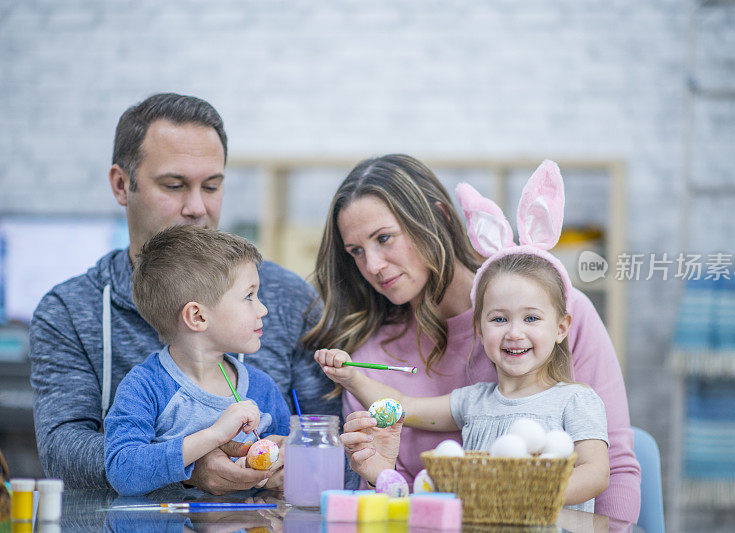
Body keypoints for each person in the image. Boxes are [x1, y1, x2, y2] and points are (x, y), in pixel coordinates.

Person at [29, 93, 337, 494]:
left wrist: (294, 457)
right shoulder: (68, 311)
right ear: (122, 185)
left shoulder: (289, 298)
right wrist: (190, 466)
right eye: (174, 185)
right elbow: (62, 451)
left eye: (212, 186)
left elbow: (324, 432)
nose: (197, 207)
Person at [303, 155, 640, 521]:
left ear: (440, 217)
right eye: (356, 252)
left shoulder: (559, 314)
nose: (373, 266)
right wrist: (377, 474)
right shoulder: (366, 362)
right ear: (480, 330)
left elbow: (613, 468)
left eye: (384, 238)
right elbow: (398, 504)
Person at [105, 225, 291, 495]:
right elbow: (123, 471)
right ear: (198, 317)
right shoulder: (145, 386)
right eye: (249, 296)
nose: (263, 308)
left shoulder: (263, 389)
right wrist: (215, 435)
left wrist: (285, 465)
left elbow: (287, 476)